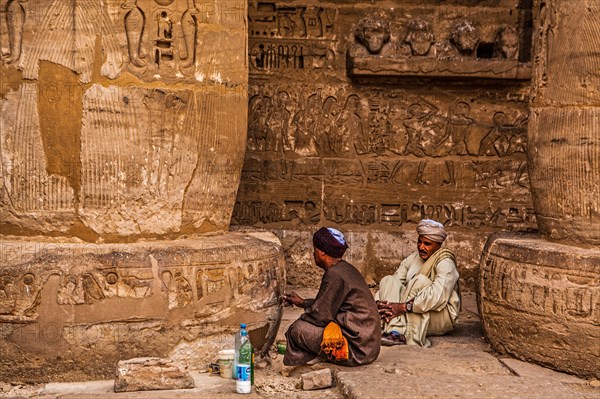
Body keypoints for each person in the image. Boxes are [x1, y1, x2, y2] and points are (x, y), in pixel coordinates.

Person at [283, 227, 381, 366]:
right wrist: (303, 302)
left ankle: (301, 363)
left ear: (321, 252)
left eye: (315, 249)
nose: (313, 253)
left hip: (357, 350)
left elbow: (320, 315)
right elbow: (329, 304)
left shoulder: (334, 275)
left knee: (297, 329)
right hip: (368, 346)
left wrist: (304, 318)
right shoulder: (345, 269)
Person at [375, 219, 460, 347]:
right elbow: (395, 283)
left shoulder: (446, 263)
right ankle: (394, 330)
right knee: (388, 280)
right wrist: (380, 303)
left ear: (438, 244)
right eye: (419, 242)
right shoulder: (413, 258)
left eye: (427, 244)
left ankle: (395, 331)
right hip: (409, 311)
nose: (421, 247)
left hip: (440, 315)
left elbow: (437, 297)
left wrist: (403, 307)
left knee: (420, 281)